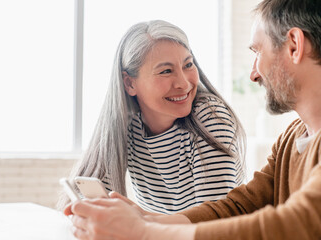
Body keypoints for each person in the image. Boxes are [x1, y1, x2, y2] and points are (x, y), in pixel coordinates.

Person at [63, 0, 321, 239]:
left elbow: (298, 221)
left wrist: (143, 232)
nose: (253, 74)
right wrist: (147, 219)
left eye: (258, 52)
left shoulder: (210, 118)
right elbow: (240, 206)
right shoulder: (291, 139)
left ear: (294, 46)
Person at [58, 20, 246, 214]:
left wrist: (140, 219)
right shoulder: (127, 125)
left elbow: (213, 223)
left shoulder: (212, 118)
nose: (184, 83)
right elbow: (87, 194)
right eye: (166, 71)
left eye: (188, 64)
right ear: (130, 83)